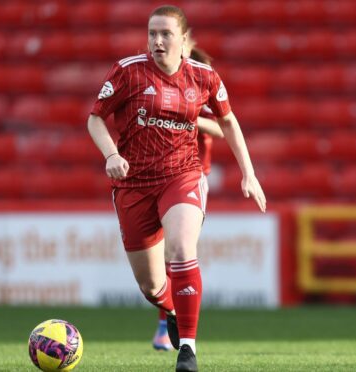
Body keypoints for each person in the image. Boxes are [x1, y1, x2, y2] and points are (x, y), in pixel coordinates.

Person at [87, 5, 266, 371]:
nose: (157, 41)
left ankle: (187, 349)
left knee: (182, 248)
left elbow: (229, 122)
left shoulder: (204, 77)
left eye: (165, 34)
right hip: (133, 185)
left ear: (184, 41)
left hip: (182, 175)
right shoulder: (127, 72)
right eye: (152, 33)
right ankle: (170, 307)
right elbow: (95, 119)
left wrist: (249, 172)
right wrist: (110, 155)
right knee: (152, 286)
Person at [151, 32, 224, 352]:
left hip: (193, 176)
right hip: (161, 175)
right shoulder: (158, 81)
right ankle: (167, 320)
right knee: (165, 256)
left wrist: (187, 116)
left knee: (178, 251)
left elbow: (222, 126)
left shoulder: (201, 77)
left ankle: (169, 328)